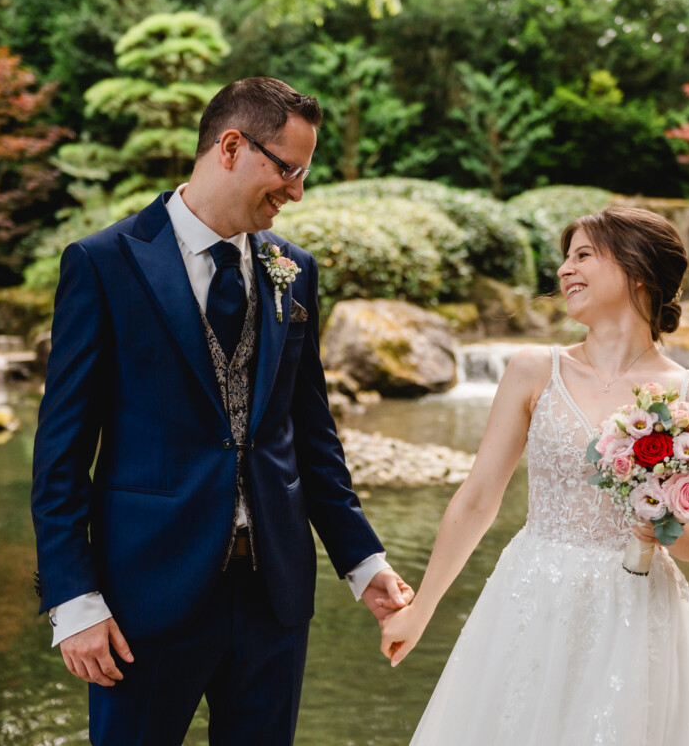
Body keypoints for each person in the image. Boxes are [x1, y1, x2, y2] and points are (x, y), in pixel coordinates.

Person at [31, 77, 413, 746]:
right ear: (231, 146)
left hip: (274, 599)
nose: (298, 191)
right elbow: (61, 453)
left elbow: (310, 435)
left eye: (305, 173)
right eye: (289, 168)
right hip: (142, 601)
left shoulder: (294, 268)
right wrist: (74, 601)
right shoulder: (103, 263)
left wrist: (364, 561)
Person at [380, 205, 689, 745]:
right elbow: (477, 500)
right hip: (534, 596)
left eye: (583, 255)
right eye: (566, 258)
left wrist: (657, 524)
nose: (564, 270)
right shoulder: (533, 370)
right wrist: (422, 610)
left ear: (637, 271)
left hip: (637, 614)